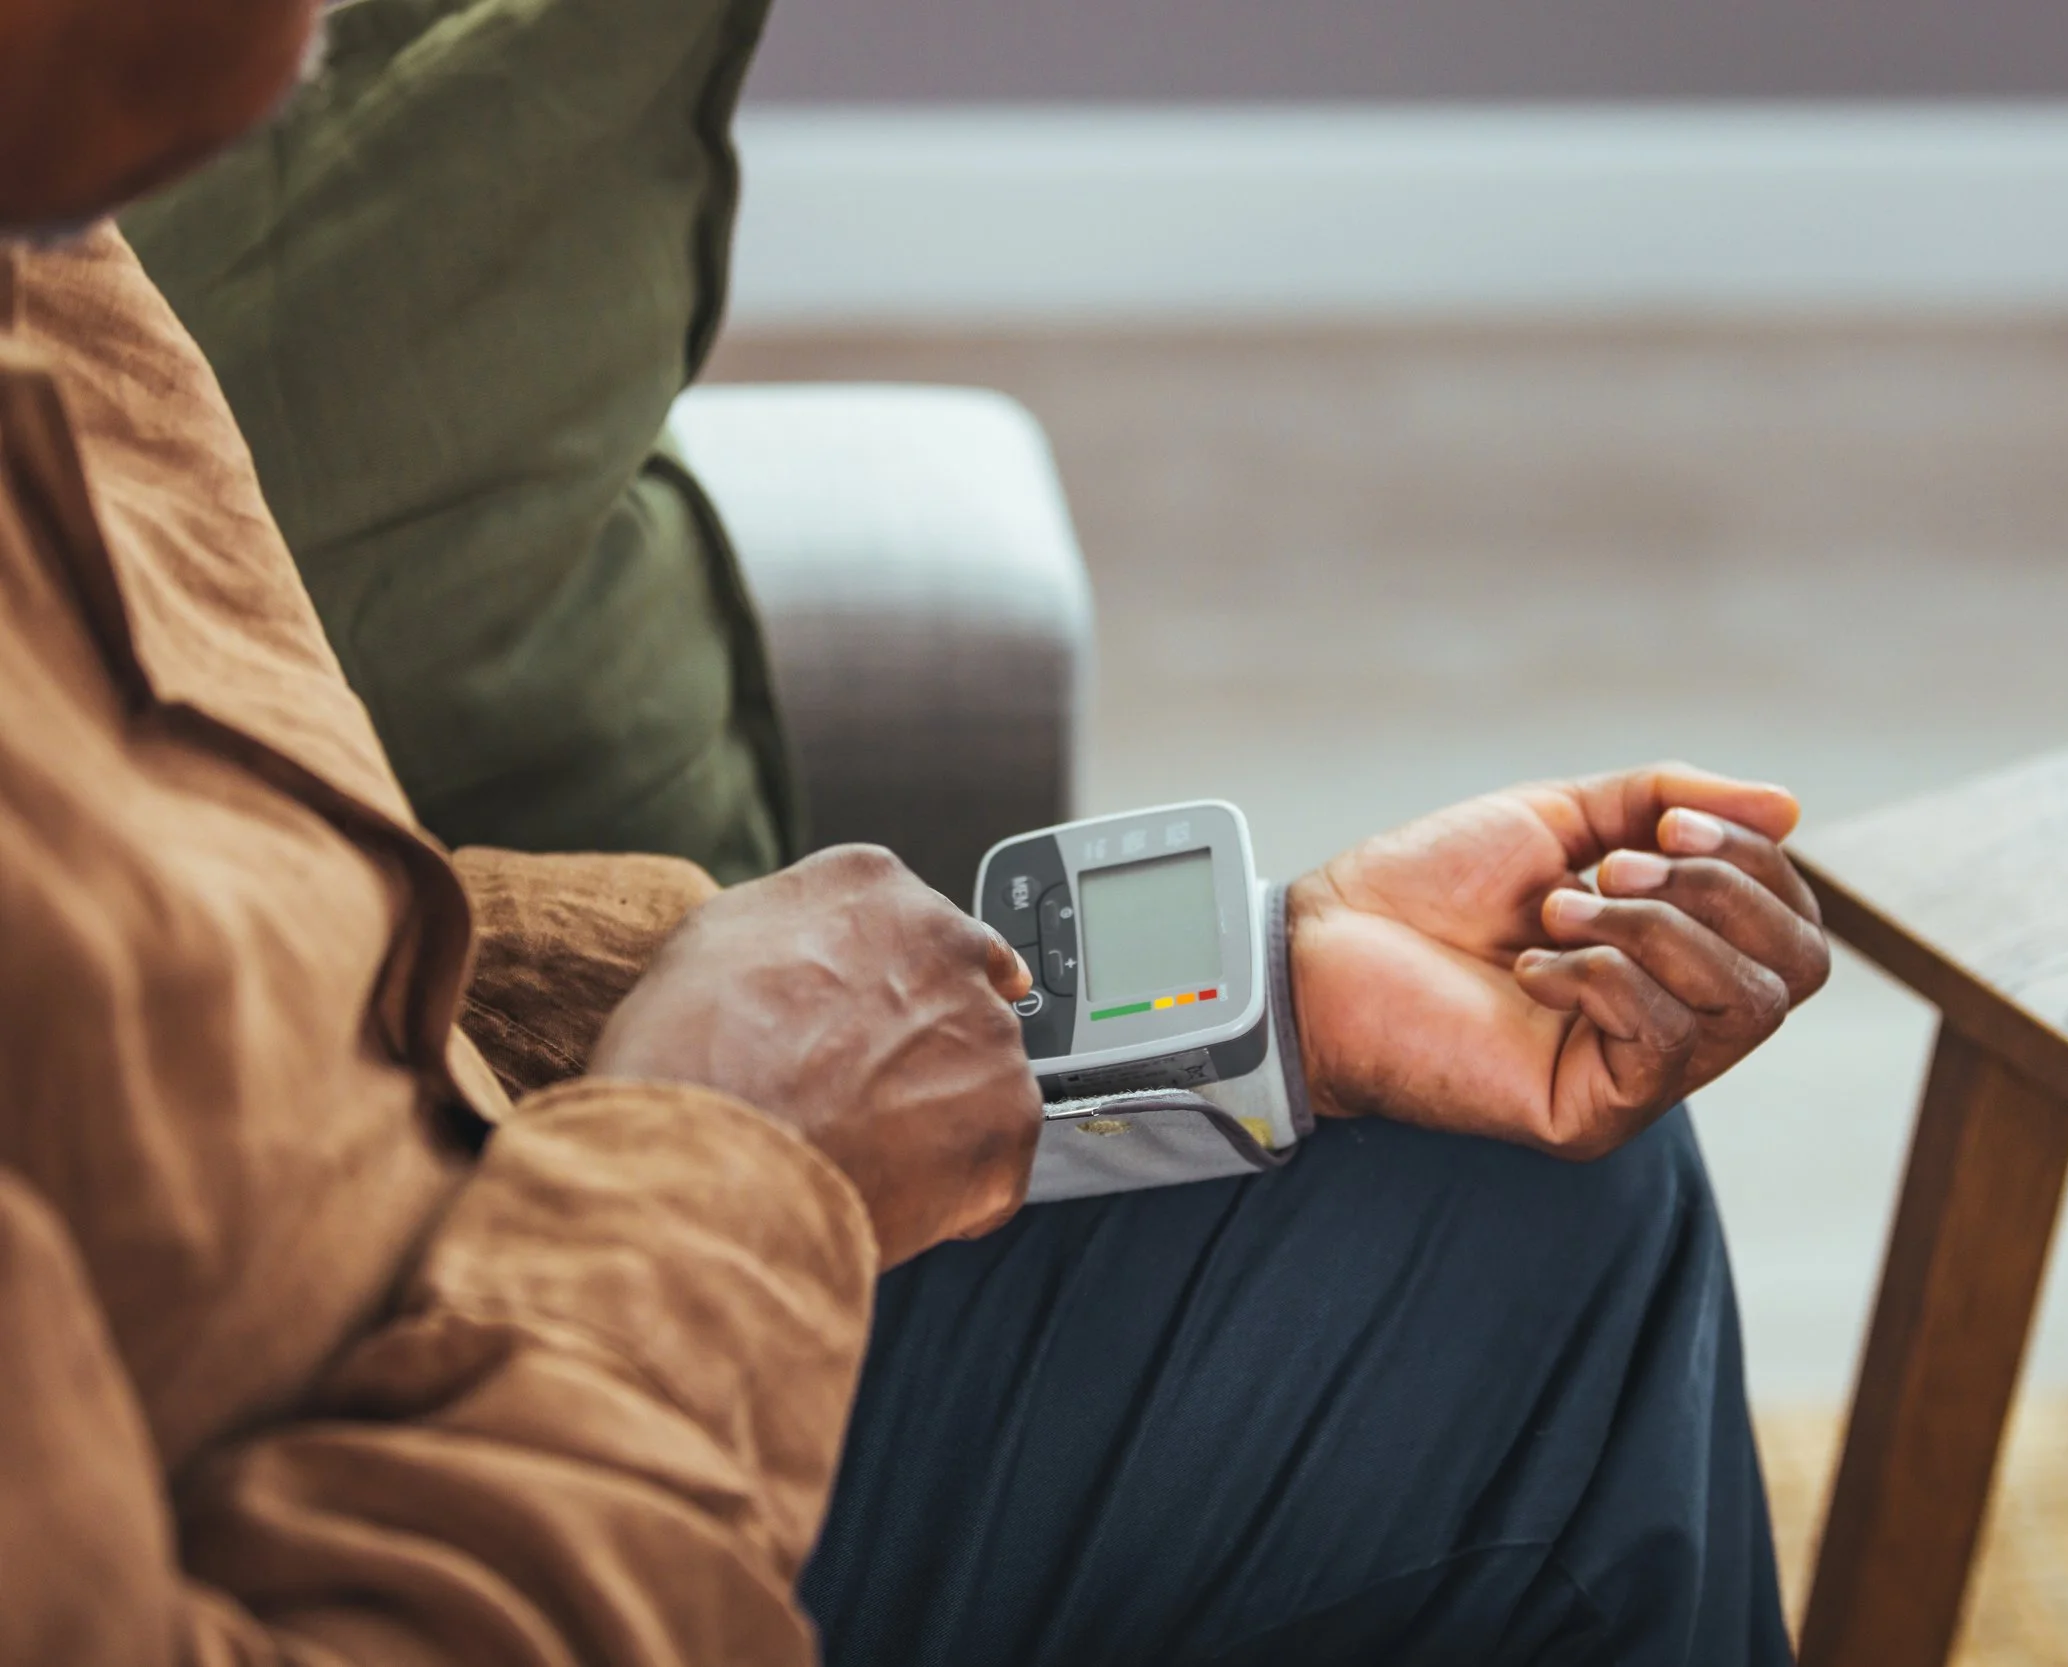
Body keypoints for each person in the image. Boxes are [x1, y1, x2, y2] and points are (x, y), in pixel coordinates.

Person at [0, 3, 1830, 1664]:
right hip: (471, 1502)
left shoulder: (49, 248)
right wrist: (725, 1160)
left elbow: (219, 973)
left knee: (1536, 1205)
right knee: (1517, 1334)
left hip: (478, 1271)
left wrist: (1241, 1008)